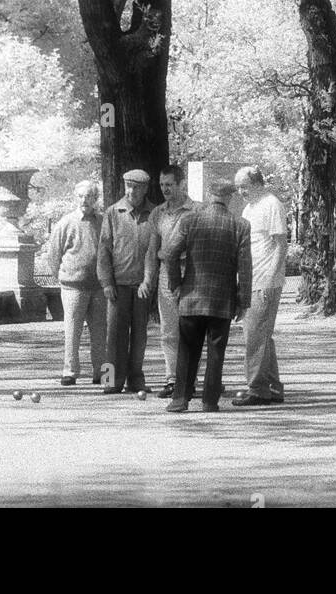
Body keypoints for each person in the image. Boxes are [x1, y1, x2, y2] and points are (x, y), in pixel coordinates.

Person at [163, 177, 251, 413]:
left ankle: (180, 399)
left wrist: (176, 284)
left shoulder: (190, 220)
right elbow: (245, 267)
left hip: (191, 297)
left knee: (187, 350)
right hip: (222, 300)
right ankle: (210, 401)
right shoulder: (240, 225)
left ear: (209, 194)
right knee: (216, 352)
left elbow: (169, 254)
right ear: (229, 197)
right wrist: (244, 301)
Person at [231, 165, 288, 407]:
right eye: (238, 187)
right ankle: (272, 387)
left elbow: (280, 244)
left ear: (256, 183)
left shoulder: (271, 204)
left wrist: (270, 278)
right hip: (250, 279)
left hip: (264, 280)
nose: (241, 191)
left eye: (244, 186)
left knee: (254, 336)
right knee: (262, 335)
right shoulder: (250, 207)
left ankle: (257, 388)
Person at [138, 165, 195, 398]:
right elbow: (152, 250)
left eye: (169, 185)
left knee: (191, 329)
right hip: (165, 275)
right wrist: (147, 280)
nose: (165, 189)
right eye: (162, 185)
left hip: (191, 273)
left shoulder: (196, 211)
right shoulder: (158, 213)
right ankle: (172, 379)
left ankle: (190, 379)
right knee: (169, 330)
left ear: (182, 184)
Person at [97, 169, 154, 394]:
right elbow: (104, 250)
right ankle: (110, 381)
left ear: (146, 188)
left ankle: (136, 380)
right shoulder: (113, 212)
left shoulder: (154, 213)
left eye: (137, 187)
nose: (132, 191)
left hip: (142, 286)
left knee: (139, 336)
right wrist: (106, 282)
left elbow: (154, 250)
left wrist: (149, 282)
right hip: (118, 285)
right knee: (114, 337)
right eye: (128, 186)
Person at [47, 180, 107, 386]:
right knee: (72, 331)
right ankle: (70, 372)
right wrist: (64, 277)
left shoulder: (103, 221)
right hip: (73, 287)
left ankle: (103, 374)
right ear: (76, 198)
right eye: (81, 196)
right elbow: (54, 256)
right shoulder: (66, 223)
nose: (85, 200)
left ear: (95, 199)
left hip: (99, 287)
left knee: (101, 333)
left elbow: (109, 251)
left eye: (89, 196)